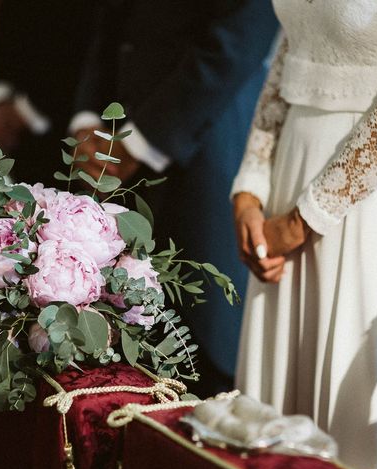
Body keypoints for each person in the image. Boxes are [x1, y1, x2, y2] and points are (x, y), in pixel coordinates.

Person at [232, 1, 377, 469]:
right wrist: (250, 189)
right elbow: (292, 49)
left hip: (372, 191)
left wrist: (303, 219)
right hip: (286, 176)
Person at [69, 0, 278, 394]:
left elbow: (239, 37)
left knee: (202, 359)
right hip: (110, 155)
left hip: (200, 151)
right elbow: (112, 25)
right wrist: (88, 119)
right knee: (112, 359)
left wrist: (138, 143)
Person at [0, 0, 96, 187]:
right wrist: (0, 94)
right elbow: (12, 18)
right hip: (26, 141)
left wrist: (27, 108)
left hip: (86, 125)